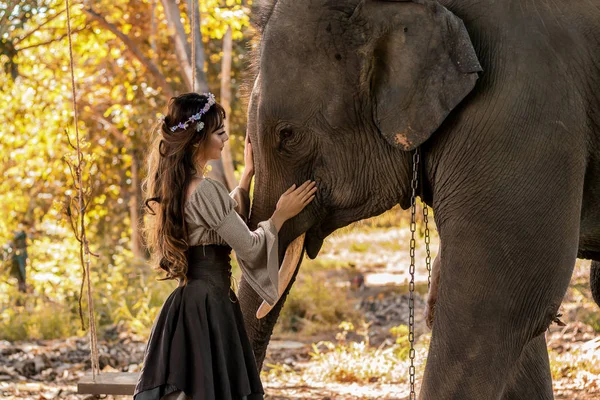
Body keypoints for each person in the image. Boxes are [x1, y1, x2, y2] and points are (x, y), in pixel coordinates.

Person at [134, 92, 317, 400]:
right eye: (219, 132)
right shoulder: (204, 189)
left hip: (189, 302)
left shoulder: (179, 187)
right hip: (210, 304)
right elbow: (248, 246)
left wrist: (246, 176)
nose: (225, 138)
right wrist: (280, 216)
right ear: (198, 138)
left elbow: (216, 223)